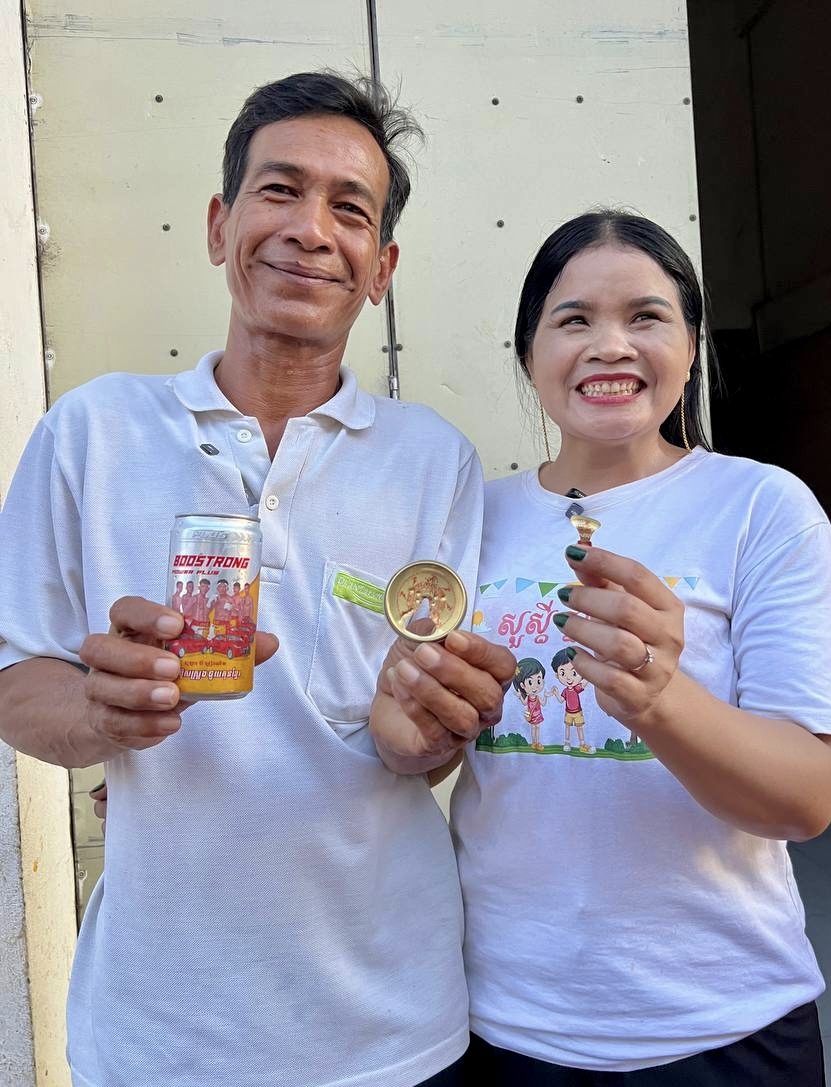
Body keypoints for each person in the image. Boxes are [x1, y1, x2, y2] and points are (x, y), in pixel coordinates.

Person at [0, 71, 511, 1087]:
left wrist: (426, 733)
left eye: (350, 210)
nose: (311, 230)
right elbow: (18, 684)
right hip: (157, 1038)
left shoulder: (434, 461)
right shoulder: (90, 434)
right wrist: (102, 711)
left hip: (393, 1032)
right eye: (279, 190)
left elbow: (415, 748)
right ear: (217, 225)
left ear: (381, 269)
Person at [370, 210, 831, 1085]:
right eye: (574, 320)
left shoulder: (763, 508)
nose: (610, 345)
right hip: (507, 1022)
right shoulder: (471, 517)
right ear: (529, 352)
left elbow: (808, 797)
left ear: (691, 345)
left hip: (725, 1023)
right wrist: (409, 727)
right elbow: (435, 750)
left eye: (646, 316)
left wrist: (660, 699)